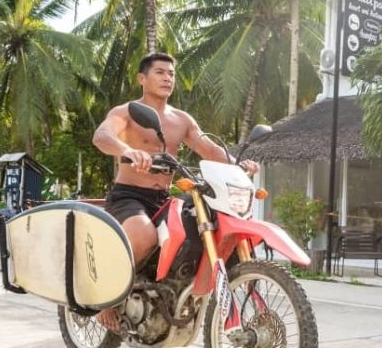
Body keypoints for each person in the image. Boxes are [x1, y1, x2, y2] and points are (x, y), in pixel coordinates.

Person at [93, 52, 259, 269]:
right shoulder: (127, 112)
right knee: (144, 237)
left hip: (163, 198)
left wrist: (238, 164)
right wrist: (129, 151)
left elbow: (209, 150)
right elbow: (102, 137)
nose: (167, 78)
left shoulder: (181, 120)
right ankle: (108, 298)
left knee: (198, 233)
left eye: (171, 74)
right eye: (160, 72)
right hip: (128, 196)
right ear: (142, 79)